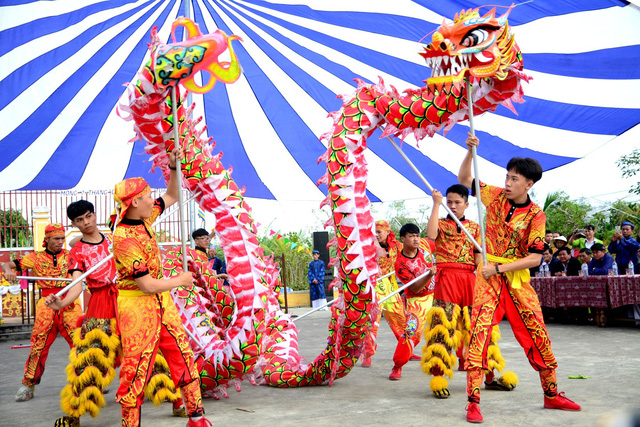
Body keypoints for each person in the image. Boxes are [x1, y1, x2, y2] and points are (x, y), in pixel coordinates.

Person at [458, 134, 580, 423]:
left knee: (537, 332)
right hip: (487, 281)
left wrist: (498, 269)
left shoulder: (536, 215)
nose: (508, 183)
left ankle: (551, 395)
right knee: (479, 335)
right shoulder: (495, 196)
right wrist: (469, 152)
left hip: (513, 278)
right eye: (507, 177)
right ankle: (473, 402)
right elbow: (464, 179)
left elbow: (536, 258)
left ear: (529, 184)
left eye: (514, 179)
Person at [46, 201, 186, 426]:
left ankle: (177, 402)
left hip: (129, 301)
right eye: (80, 220)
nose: (86, 222)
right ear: (73, 224)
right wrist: (61, 303)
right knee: (90, 359)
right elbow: (76, 286)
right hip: (100, 305)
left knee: (153, 351)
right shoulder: (77, 251)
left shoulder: (116, 239)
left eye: (88, 216)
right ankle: (74, 414)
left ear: (94, 215)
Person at [111, 148, 210, 426]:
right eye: (145, 197)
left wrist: (173, 166)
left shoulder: (144, 218)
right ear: (133, 203)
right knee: (135, 370)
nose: (150, 199)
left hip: (162, 304)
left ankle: (197, 418)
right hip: (137, 307)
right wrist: (179, 280)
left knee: (183, 354)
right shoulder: (124, 238)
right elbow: (145, 285)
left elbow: (172, 195)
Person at [422, 185, 517, 399]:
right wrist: (436, 204)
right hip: (447, 280)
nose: (453, 206)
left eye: (457, 202)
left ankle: (490, 377)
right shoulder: (441, 223)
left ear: (466, 203)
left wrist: (486, 274)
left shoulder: (475, 228)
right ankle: (438, 377)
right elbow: (430, 235)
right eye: (450, 201)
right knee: (443, 328)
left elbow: (478, 258)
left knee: (481, 328)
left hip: (470, 280)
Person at [1, 223, 82, 403]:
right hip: (46, 304)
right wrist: (8, 271)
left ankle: (91, 380)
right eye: (56, 239)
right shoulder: (34, 258)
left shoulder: (72, 256)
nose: (61, 242)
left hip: (69, 302)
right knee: (39, 344)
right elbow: (7, 264)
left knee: (80, 342)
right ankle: (28, 384)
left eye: (62, 238)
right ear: (46, 240)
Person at [389, 223, 437, 381]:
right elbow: (415, 288)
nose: (416, 239)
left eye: (417, 235)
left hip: (438, 293)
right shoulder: (400, 263)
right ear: (403, 239)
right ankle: (398, 365)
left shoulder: (424, 244)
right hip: (418, 299)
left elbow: (440, 243)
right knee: (411, 332)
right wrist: (429, 275)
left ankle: (463, 360)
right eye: (411, 236)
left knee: (451, 326)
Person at [361, 220, 404, 367]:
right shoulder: (369, 247)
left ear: (387, 231)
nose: (376, 234)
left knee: (401, 320)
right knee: (373, 322)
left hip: (391, 286)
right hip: (376, 287)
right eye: (375, 232)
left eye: (379, 232)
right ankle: (367, 354)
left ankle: (406, 349)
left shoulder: (397, 246)